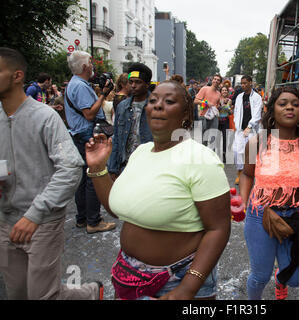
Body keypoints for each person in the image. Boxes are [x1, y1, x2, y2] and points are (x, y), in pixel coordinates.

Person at [84, 80, 231, 300]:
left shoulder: (200, 159)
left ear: (185, 115)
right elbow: (117, 209)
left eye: (169, 101)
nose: (158, 105)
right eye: (153, 101)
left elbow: (218, 229)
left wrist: (188, 288)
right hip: (128, 274)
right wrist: (97, 169)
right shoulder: (140, 152)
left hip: (178, 280)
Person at [0, 47, 103, 300]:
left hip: (42, 220)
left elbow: (70, 168)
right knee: (18, 293)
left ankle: (90, 293)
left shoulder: (44, 117)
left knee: (42, 295)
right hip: (5, 219)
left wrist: (36, 214)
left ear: (17, 76)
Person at [239, 86, 299, 300]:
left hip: (292, 217)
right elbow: (246, 174)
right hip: (260, 214)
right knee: (259, 277)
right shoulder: (258, 142)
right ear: (272, 110)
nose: (290, 107)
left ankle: (280, 279)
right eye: (283, 103)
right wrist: (243, 204)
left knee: (295, 278)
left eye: (295, 104)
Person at [64, 50, 116, 234]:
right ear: (85, 66)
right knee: (94, 176)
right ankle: (93, 221)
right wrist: (103, 94)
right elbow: (89, 113)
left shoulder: (76, 84)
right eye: (91, 64)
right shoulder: (79, 86)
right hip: (87, 134)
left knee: (84, 178)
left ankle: (82, 218)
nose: (93, 67)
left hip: (80, 134)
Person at [107, 62, 154, 180]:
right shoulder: (122, 107)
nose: (133, 85)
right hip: (126, 164)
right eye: (131, 82)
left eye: (138, 82)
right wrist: (112, 168)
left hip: (149, 165)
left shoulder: (156, 105)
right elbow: (116, 137)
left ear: (147, 84)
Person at [233, 75, 262, 185]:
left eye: (245, 83)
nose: (243, 85)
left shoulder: (257, 97)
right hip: (240, 129)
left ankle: (250, 175)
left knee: (251, 154)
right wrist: (237, 124)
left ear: (250, 83)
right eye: (242, 83)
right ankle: (240, 173)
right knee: (237, 151)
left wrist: (249, 126)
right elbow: (236, 111)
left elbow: (257, 114)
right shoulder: (239, 96)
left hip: (251, 130)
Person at [194, 74, 222, 145]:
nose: (216, 81)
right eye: (215, 79)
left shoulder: (219, 93)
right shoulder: (205, 89)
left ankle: (211, 153)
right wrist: (206, 103)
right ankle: (202, 153)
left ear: (220, 83)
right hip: (203, 116)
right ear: (212, 80)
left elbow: (217, 105)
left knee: (213, 137)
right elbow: (196, 101)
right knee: (203, 138)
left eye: (218, 80)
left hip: (214, 117)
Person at [218, 86, 232, 158]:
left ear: (227, 92)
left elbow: (228, 110)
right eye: (223, 90)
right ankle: (216, 154)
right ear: (220, 92)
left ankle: (224, 154)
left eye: (225, 90)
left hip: (225, 121)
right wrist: (225, 106)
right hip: (217, 121)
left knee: (225, 138)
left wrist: (223, 106)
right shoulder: (217, 99)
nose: (224, 91)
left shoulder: (229, 100)